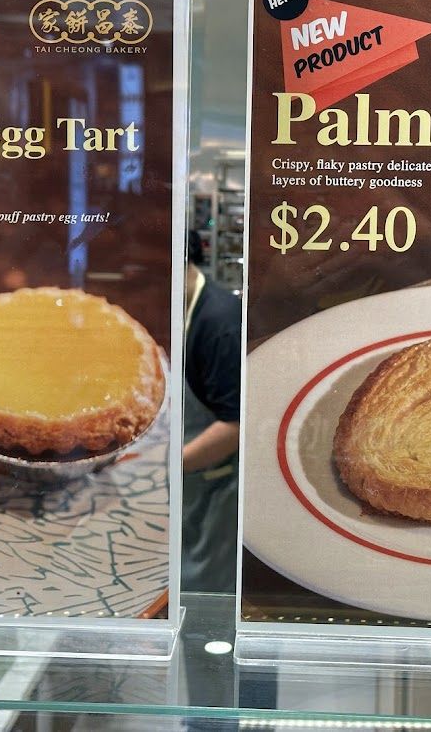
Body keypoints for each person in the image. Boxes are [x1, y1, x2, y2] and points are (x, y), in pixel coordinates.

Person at [182, 230, 241, 593]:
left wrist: (166, 471)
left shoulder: (220, 324)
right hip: (189, 483)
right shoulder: (181, 309)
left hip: (214, 486)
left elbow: (234, 425)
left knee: (203, 594)